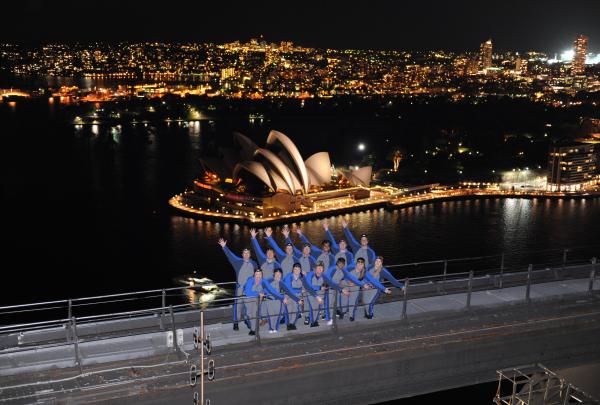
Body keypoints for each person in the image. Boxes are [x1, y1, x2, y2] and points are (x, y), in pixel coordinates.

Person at [219, 238, 257, 331]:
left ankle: (248, 322)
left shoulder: (254, 264)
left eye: (248, 253)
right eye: (244, 252)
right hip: (239, 289)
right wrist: (224, 247)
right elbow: (230, 256)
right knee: (237, 306)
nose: (246, 254)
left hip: (250, 289)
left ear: (250, 254)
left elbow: (258, 277)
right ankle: (236, 323)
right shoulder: (238, 262)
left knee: (249, 307)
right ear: (242, 254)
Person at [340, 257, 367, 321]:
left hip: (355, 288)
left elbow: (365, 281)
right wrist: (348, 282)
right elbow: (343, 276)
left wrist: (355, 284)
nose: (360, 264)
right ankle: (343, 312)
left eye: (361, 263)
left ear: (363, 265)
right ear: (356, 263)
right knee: (344, 301)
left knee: (352, 301)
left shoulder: (364, 273)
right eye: (358, 263)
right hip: (346, 286)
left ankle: (351, 315)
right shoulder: (350, 269)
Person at [301, 262, 328, 327]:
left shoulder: (324, 275)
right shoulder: (310, 274)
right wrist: (319, 287)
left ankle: (314, 320)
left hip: (317, 292)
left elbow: (327, 284)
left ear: (323, 269)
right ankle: (308, 318)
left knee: (317, 305)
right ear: (315, 269)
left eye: (321, 268)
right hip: (308, 291)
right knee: (310, 305)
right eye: (318, 267)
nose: (319, 269)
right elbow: (309, 286)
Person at [281, 263, 304, 330]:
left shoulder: (302, 277)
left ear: (300, 270)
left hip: (297, 296)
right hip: (289, 295)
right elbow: (289, 289)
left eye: (298, 269)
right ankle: (288, 324)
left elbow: (306, 286)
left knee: (295, 310)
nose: (296, 270)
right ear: (292, 269)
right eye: (295, 269)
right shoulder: (289, 276)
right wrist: (299, 290)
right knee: (289, 309)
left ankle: (292, 324)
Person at [261, 268, 286, 333]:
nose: (278, 275)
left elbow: (285, 292)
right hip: (269, 300)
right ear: (273, 274)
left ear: (281, 275)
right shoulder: (269, 280)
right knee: (271, 315)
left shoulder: (282, 282)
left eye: (279, 274)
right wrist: (262, 293)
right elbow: (264, 288)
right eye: (276, 274)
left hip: (278, 301)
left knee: (277, 315)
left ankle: (275, 327)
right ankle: (271, 328)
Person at [243, 268, 265, 336]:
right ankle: (259, 321)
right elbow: (248, 292)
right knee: (249, 314)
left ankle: (253, 329)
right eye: (256, 274)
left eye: (260, 274)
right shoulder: (250, 280)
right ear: (254, 274)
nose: (258, 276)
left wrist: (263, 293)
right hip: (248, 299)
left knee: (254, 313)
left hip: (257, 299)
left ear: (262, 275)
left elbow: (268, 289)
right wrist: (258, 293)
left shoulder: (263, 281)